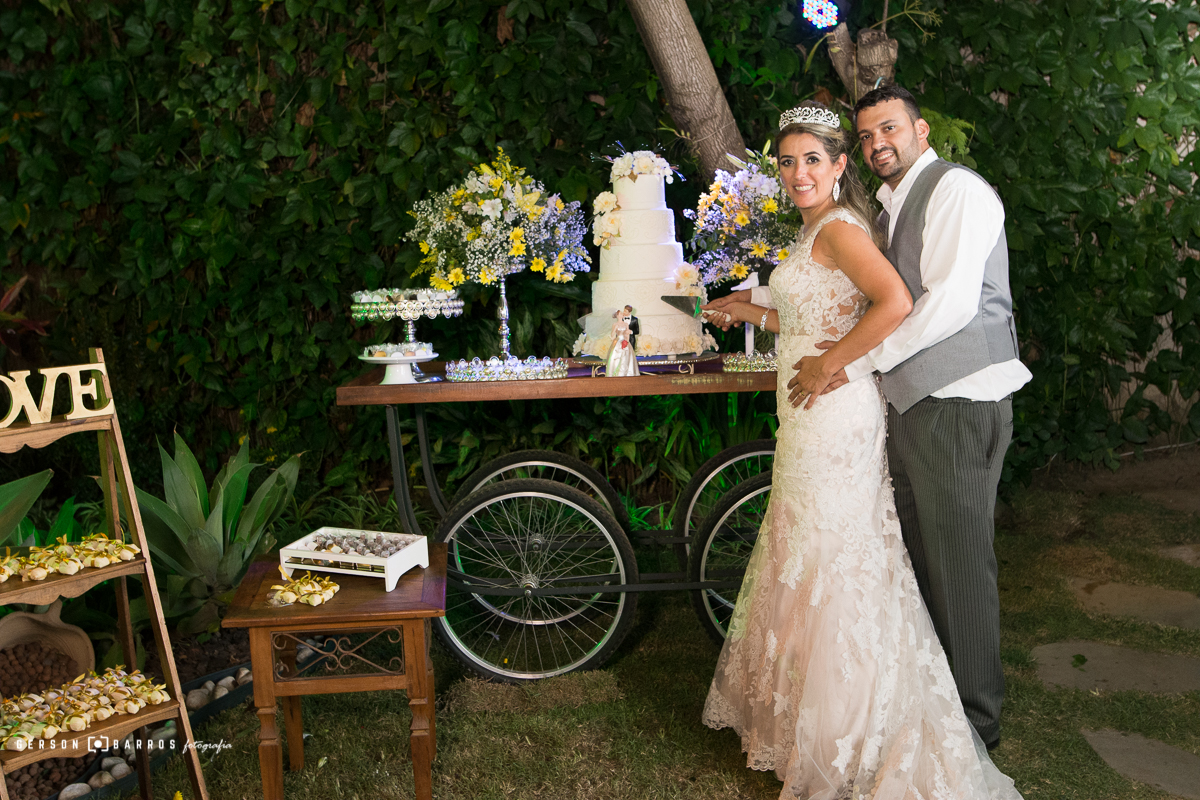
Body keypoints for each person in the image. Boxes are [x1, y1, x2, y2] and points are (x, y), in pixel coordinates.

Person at [699, 101, 1022, 798]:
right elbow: (816, 308)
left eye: (813, 159)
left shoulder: (874, 217)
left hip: (859, 404)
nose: (798, 173)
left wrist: (839, 365)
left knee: (848, 556)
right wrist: (747, 310)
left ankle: (909, 723)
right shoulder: (837, 220)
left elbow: (904, 302)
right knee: (816, 550)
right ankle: (814, 719)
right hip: (822, 411)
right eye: (787, 162)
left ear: (838, 164)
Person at [791, 85, 1032, 753]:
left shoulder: (958, 193)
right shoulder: (891, 206)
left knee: (959, 565)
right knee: (924, 559)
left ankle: (978, 725)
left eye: (888, 129)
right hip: (917, 402)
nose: (877, 145)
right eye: (866, 137)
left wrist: (859, 363)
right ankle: (942, 705)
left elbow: (950, 304)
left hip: (961, 399)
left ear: (921, 130)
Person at [605, 305, 640, 377]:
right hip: (617, 341)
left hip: (625, 341)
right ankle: (615, 373)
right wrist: (615, 332)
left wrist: (626, 341)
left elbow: (627, 334)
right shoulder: (615, 324)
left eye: (622, 312)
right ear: (617, 316)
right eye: (620, 313)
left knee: (627, 356)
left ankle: (628, 373)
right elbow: (612, 335)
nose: (622, 314)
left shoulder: (626, 324)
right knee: (616, 356)